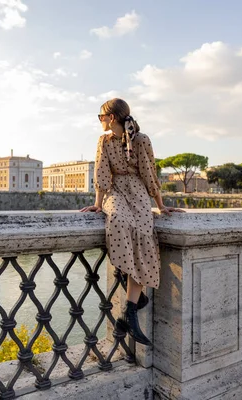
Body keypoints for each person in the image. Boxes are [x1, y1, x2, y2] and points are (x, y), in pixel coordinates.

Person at [80, 98, 183, 346]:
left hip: (137, 192)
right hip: (115, 192)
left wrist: (159, 205)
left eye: (101, 116)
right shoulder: (104, 141)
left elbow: (149, 173)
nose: (100, 120)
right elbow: (102, 172)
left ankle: (129, 310)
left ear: (111, 117)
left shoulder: (141, 140)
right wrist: (98, 202)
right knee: (117, 222)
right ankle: (136, 299)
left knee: (143, 235)